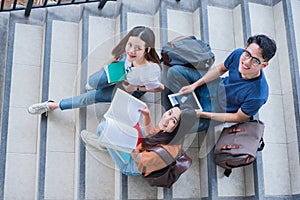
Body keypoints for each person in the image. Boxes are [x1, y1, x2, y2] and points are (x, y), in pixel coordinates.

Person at [28, 26, 164, 115]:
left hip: (130, 88)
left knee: (90, 98)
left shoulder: (149, 70)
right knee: (93, 81)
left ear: (147, 49)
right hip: (121, 71)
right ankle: (98, 83)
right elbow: (116, 54)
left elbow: (159, 88)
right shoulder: (128, 51)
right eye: (130, 45)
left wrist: (136, 88)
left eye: (138, 48)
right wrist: (105, 67)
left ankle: (52, 105)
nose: (131, 51)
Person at [166, 34, 277, 131]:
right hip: (214, 86)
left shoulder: (258, 95)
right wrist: (194, 85)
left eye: (255, 60)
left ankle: (185, 108)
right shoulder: (238, 54)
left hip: (217, 109)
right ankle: (185, 103)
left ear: (264, 65)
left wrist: (202, 114)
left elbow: (238, 117)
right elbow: (221, 69)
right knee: (174, 72)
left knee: (180, 126)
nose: (247, 62)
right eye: (247, 54)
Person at [81, 105, 196, 176]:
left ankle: (102, 144)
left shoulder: (165, 151)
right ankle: (106, 141)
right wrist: (147, 116)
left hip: (133, 164)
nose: (166, 119)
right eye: (169, 113)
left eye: (174, 121)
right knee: (113, 122)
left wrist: (124, 139)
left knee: (105, 128)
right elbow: (151, 134)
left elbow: (137, 158)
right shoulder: (168, 132)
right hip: (145, 146)